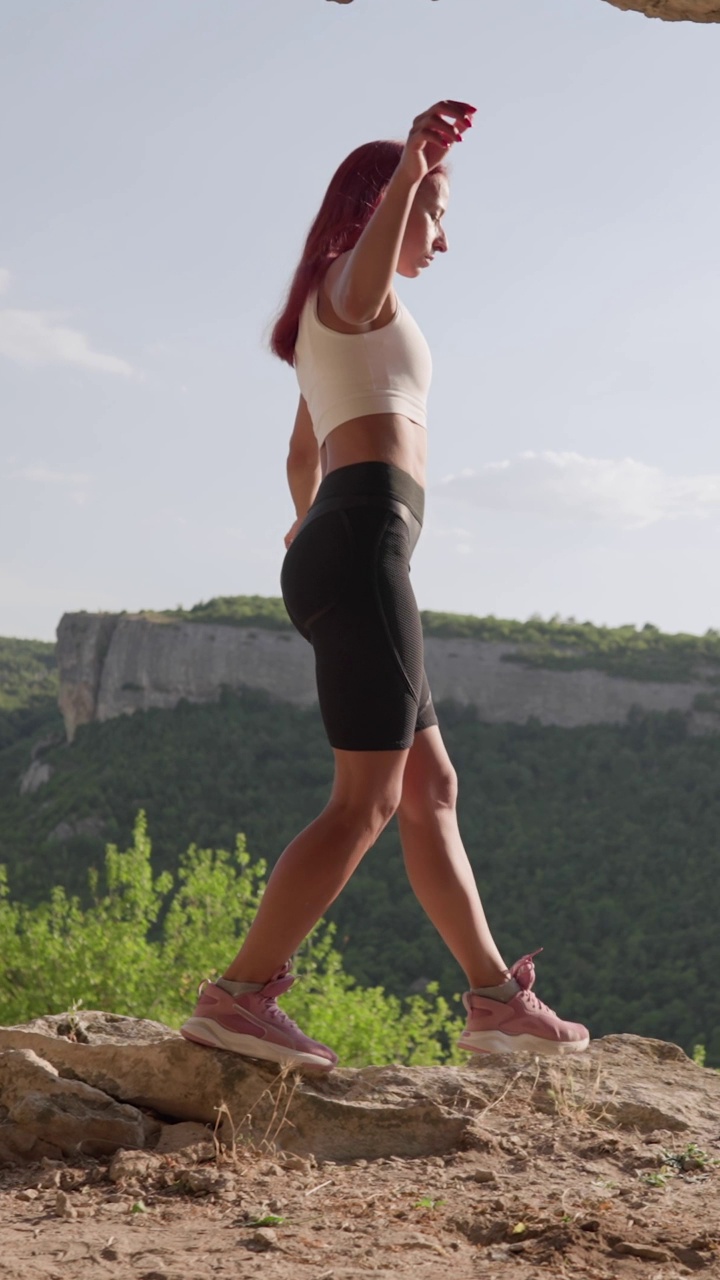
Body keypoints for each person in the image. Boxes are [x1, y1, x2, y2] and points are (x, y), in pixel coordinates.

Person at [181, 101, 589, 1069]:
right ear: (383, 206)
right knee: (365, 799)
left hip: (352, 540)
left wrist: (307, 520)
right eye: (433, 213)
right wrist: (415, 163)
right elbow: (370, 262)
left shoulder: (329, 325)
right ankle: (239, 996)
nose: (443, 238)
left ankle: (496, 1001)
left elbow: (299, 449)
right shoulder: (352, 293)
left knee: (430, 786)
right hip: (362, 541)